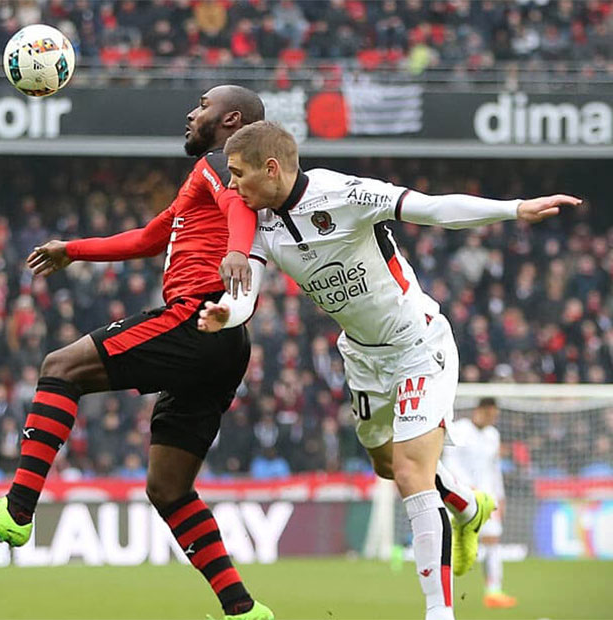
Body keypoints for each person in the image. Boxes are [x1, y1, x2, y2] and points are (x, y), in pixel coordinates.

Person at [200, 120, 582, 620]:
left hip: (418, 344)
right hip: (361, 355)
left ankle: (438, 612)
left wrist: (513, 210)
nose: (231, 186)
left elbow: (433, 207)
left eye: (238, 174)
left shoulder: (344, 194)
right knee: (385, 464)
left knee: (409, 472)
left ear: (271, 169)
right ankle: (468, 504)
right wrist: (228, 313)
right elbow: (245, 289)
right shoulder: (260, 225)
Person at [0, 85, 273, 620]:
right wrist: (72, 249)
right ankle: (243, 609)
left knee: (60, 367)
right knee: (168, 489)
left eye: (203, 106)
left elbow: (239, 209)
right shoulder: (203, 181)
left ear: (230, 119)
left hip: (196, 317)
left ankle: (18, 509)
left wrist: (236, 252)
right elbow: (147, 238)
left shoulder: (222, 167)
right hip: (227, 341)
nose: (191, 113)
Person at [444, 398, 516, 608]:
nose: (492, 419)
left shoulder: (493, 435)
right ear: (479, 411)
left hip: (487, 498)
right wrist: (466, 487)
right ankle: (443, 593)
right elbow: (449, 462)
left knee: (493, 541)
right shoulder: (460, 430)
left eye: (495, 416)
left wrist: (500, 497)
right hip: (461, 497)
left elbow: (494, 469)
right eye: (490, 415)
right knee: (449, 545)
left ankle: (494, 591)